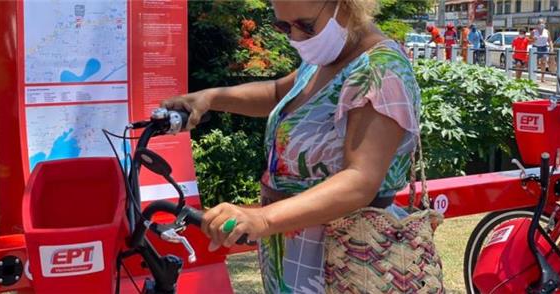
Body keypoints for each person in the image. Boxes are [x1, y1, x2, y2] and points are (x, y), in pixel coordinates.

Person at [162, 0, 442, 292]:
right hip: (299, 249)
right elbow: (277, 93)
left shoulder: (381, 70)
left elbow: (361, 180)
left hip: (351, 258)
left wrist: (262, 217)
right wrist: (211, 98)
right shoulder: (326, 58)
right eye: (284, 26)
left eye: (306, 26)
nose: (296, 38)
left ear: (347, 6)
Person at [533, 19, 554, 83]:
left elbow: (550, 40)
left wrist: (551, 48)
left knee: (544, 63)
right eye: (540, 23)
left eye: (543, 23)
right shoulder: (534, 31)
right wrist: (533, 39)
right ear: (537, 24)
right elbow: (529, 39)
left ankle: (542, 78)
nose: (541, 24)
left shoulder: (547, 31)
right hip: (536, 47)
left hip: (544, 48)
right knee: (535, 63)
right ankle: (534, 77)